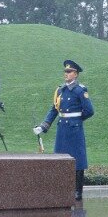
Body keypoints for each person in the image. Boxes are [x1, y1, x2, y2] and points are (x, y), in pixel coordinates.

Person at [36, 59, 94, 202]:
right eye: (65, 72)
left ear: (76, 74)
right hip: (62, 129)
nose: (66, 74)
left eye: (69, 72)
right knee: (60, 158)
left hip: (74, 129)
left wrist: (76, 120)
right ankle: (62, 189)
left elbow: (89, 111)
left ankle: (77, 192)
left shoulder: (80, 90)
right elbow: (54, 110)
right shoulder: (60, 90)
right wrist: (43, 126)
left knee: (78, 160)